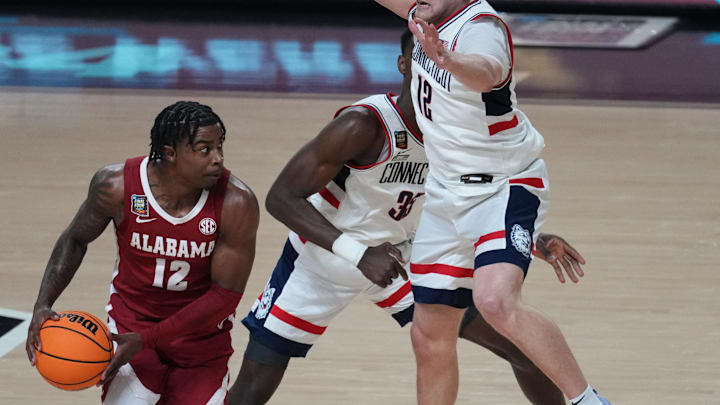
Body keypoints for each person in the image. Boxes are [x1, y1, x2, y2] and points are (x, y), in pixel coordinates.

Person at [228, 30, 585, 405]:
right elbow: (281, 198)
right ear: (404, 64)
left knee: (520, 347)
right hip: (323, 258)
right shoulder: (363, 125)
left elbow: (481, 195)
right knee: (253, 388)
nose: (434, 67)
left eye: (442, 57)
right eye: (423, 57)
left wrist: (524, 236)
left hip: (402, 258)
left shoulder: (457, 134)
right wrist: (360, 255)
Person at [372, 1, 612, 404]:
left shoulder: (482, 26)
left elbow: (488, 74)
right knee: (428, 330)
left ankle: (587, 400)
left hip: (503, 184)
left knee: (495, 300)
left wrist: (448, 59)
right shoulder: (427, 12)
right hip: (447, 193)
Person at [25, 101, 259, 405]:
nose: (218, 159)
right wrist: (43, 303)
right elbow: (75, 239)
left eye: (219, 147)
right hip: (131, 325)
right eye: (205, 149)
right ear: (171, 152)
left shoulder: (235, 203)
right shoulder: (116, 186)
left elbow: (224, 297)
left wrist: (147, 339)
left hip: (200, 339)